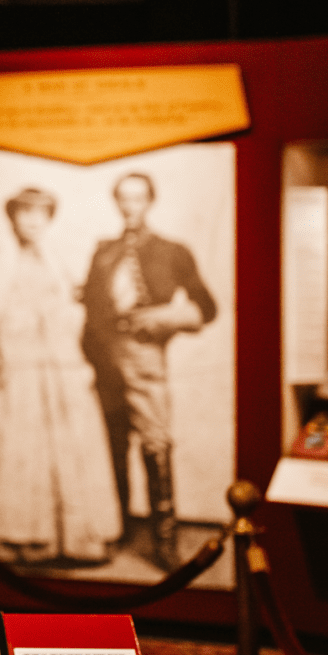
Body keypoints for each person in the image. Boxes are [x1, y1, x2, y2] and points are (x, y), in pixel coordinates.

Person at [0, 187, 121, 564]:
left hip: (57, 367)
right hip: (14, 369)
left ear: (50, 219)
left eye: (41, 213)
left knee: (68, 449)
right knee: (14, 451)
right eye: (24, 212)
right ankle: (12, 537)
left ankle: (67, 538)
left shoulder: (56, 260)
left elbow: (71, 309)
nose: (32, 220)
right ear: (12, 217)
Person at [81, 172, 217, 571]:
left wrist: (164, 317)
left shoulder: (172, 251)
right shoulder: (102, 252)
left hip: (145, 358)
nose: (130, 206)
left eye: (137, 198)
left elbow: (206, 308)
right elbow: (91, 308)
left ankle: (164, 544)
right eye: (123, 198)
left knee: (155, 444)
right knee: (113, 443)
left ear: (150, 201)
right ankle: (120, 530)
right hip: (103, 359)